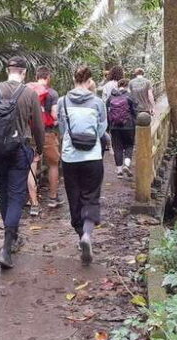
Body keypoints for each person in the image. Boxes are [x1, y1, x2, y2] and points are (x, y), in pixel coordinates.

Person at [0, 56, 44, 269]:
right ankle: (6, 247)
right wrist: (39, 150)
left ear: (7, 71)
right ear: (24, 73)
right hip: (20, 151)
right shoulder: (30, 94)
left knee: (4, 194)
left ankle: (11, 240)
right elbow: (39, 127)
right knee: (16, 196)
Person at [57, 65, 107, 265]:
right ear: (89, 81)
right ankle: (87, 234)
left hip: (70, 158)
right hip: (93, 157)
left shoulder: (62, 101)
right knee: (91, 197)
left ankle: (81, 237)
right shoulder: (97, 102)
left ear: (74, 79)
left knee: (74, 197)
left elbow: (62, 128)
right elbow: (102, 128)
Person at [26, 66, 62, 214]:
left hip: (30, 134)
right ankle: (53, 199)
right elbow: (54, 115)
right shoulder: (52, 93)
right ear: (48, 77)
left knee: (32, 165)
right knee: (53, 164)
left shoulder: (27, 91)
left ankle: (34, 203)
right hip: (47, 133)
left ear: (37, 77)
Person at [106, 78, 137, 179]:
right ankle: (126, 165)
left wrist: (108, 126)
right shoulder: (130, 96)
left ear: (118, 86)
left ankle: (119, 171)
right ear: (127, 86)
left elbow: (107, 112)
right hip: (128, 126)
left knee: (117, 147)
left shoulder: (111, 97)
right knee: (129, 145)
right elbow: (135, 111)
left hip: (114, 126)